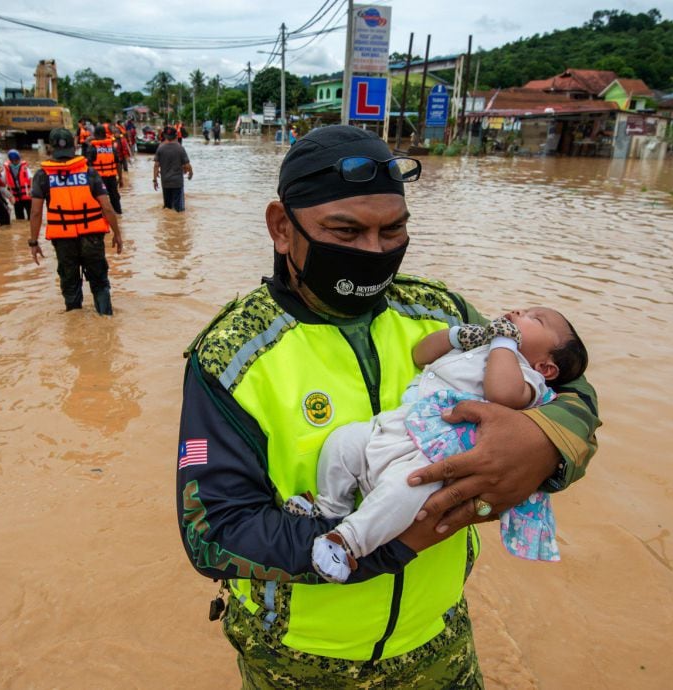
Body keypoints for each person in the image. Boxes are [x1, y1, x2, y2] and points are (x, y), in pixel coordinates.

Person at [175, 125, 600, 688]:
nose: (373, 252)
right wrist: (390, 542)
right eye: (345, 231)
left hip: (437, 638)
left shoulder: (442, 313)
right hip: (299, 660)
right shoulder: (231, 355)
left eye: (392, 230)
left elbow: (570, 383)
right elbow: (214, 531)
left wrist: (546, 443)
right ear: (282, 227)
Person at [292, 307, 589, 583]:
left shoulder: (527, 376)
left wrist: (505, 344)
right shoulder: (478, 344)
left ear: (547, 369)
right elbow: (421, 354)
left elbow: (502, 394)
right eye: (524, 308)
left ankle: (347, 542)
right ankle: (331, 508)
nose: (519, 311)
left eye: (535, 319)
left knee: (404, 488)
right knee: (344, 442)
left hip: (433, 452)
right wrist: (456, 336)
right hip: (399, 423)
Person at [28, 127, 123, 314]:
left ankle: (74, 329)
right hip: (92, 238)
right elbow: (107, 206)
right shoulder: (89, 173)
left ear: (50, 148)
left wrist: (33, 241)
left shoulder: (42, 176)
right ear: (75, 147)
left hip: (63, 240)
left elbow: (36, 212)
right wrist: (117, 234)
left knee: (70, 284)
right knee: (99, 283)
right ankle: (106, 321)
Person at [152, 127, 192, 212]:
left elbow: (156, 165)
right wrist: (191, 173)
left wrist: (155, 180)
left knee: (167, 208)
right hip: (177, 183)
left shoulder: (160, 148)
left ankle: (167, 224)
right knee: (179, 211)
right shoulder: (180, 148)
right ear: (176, 136)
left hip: (165, 182)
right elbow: (187, 165)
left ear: (165, 136)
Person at [87, 125, 123, 215]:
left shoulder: (92, 148)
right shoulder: (111, 147)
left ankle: (101, 216)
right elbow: (118, 164)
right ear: (105, 134)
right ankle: (118, 214)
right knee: (114, 197)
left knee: (99, 199)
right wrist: (121, 178)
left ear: (95, 134)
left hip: (98, 179)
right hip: (112, 177)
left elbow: (88, 166)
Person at [3, 149, 33, 221]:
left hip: (26, 194)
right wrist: (9, 196)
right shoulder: (7, 169)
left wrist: (31, 189)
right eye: (14, 160)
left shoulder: (25, 167)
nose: (16, 161)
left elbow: (31, 178)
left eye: (17, 160)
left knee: (31, 216)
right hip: (15, 196)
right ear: (11, 160)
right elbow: (5, 182)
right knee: (19, 218)